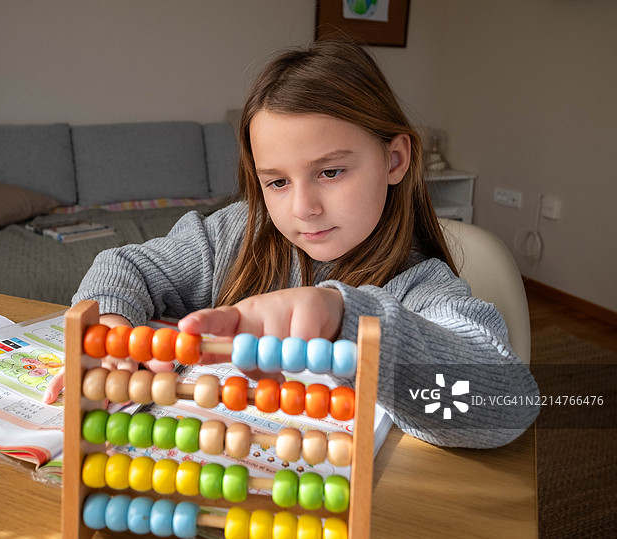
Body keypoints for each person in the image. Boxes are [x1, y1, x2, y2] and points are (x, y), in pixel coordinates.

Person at [44, 40, 539, 448]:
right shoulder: (234, 236)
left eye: (330, 172)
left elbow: (504, 404)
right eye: (277, 182)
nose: (303, 208)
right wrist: (109, 324)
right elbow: (123, 265)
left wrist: (345, 318)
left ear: (394, 160)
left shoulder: (422, 288)